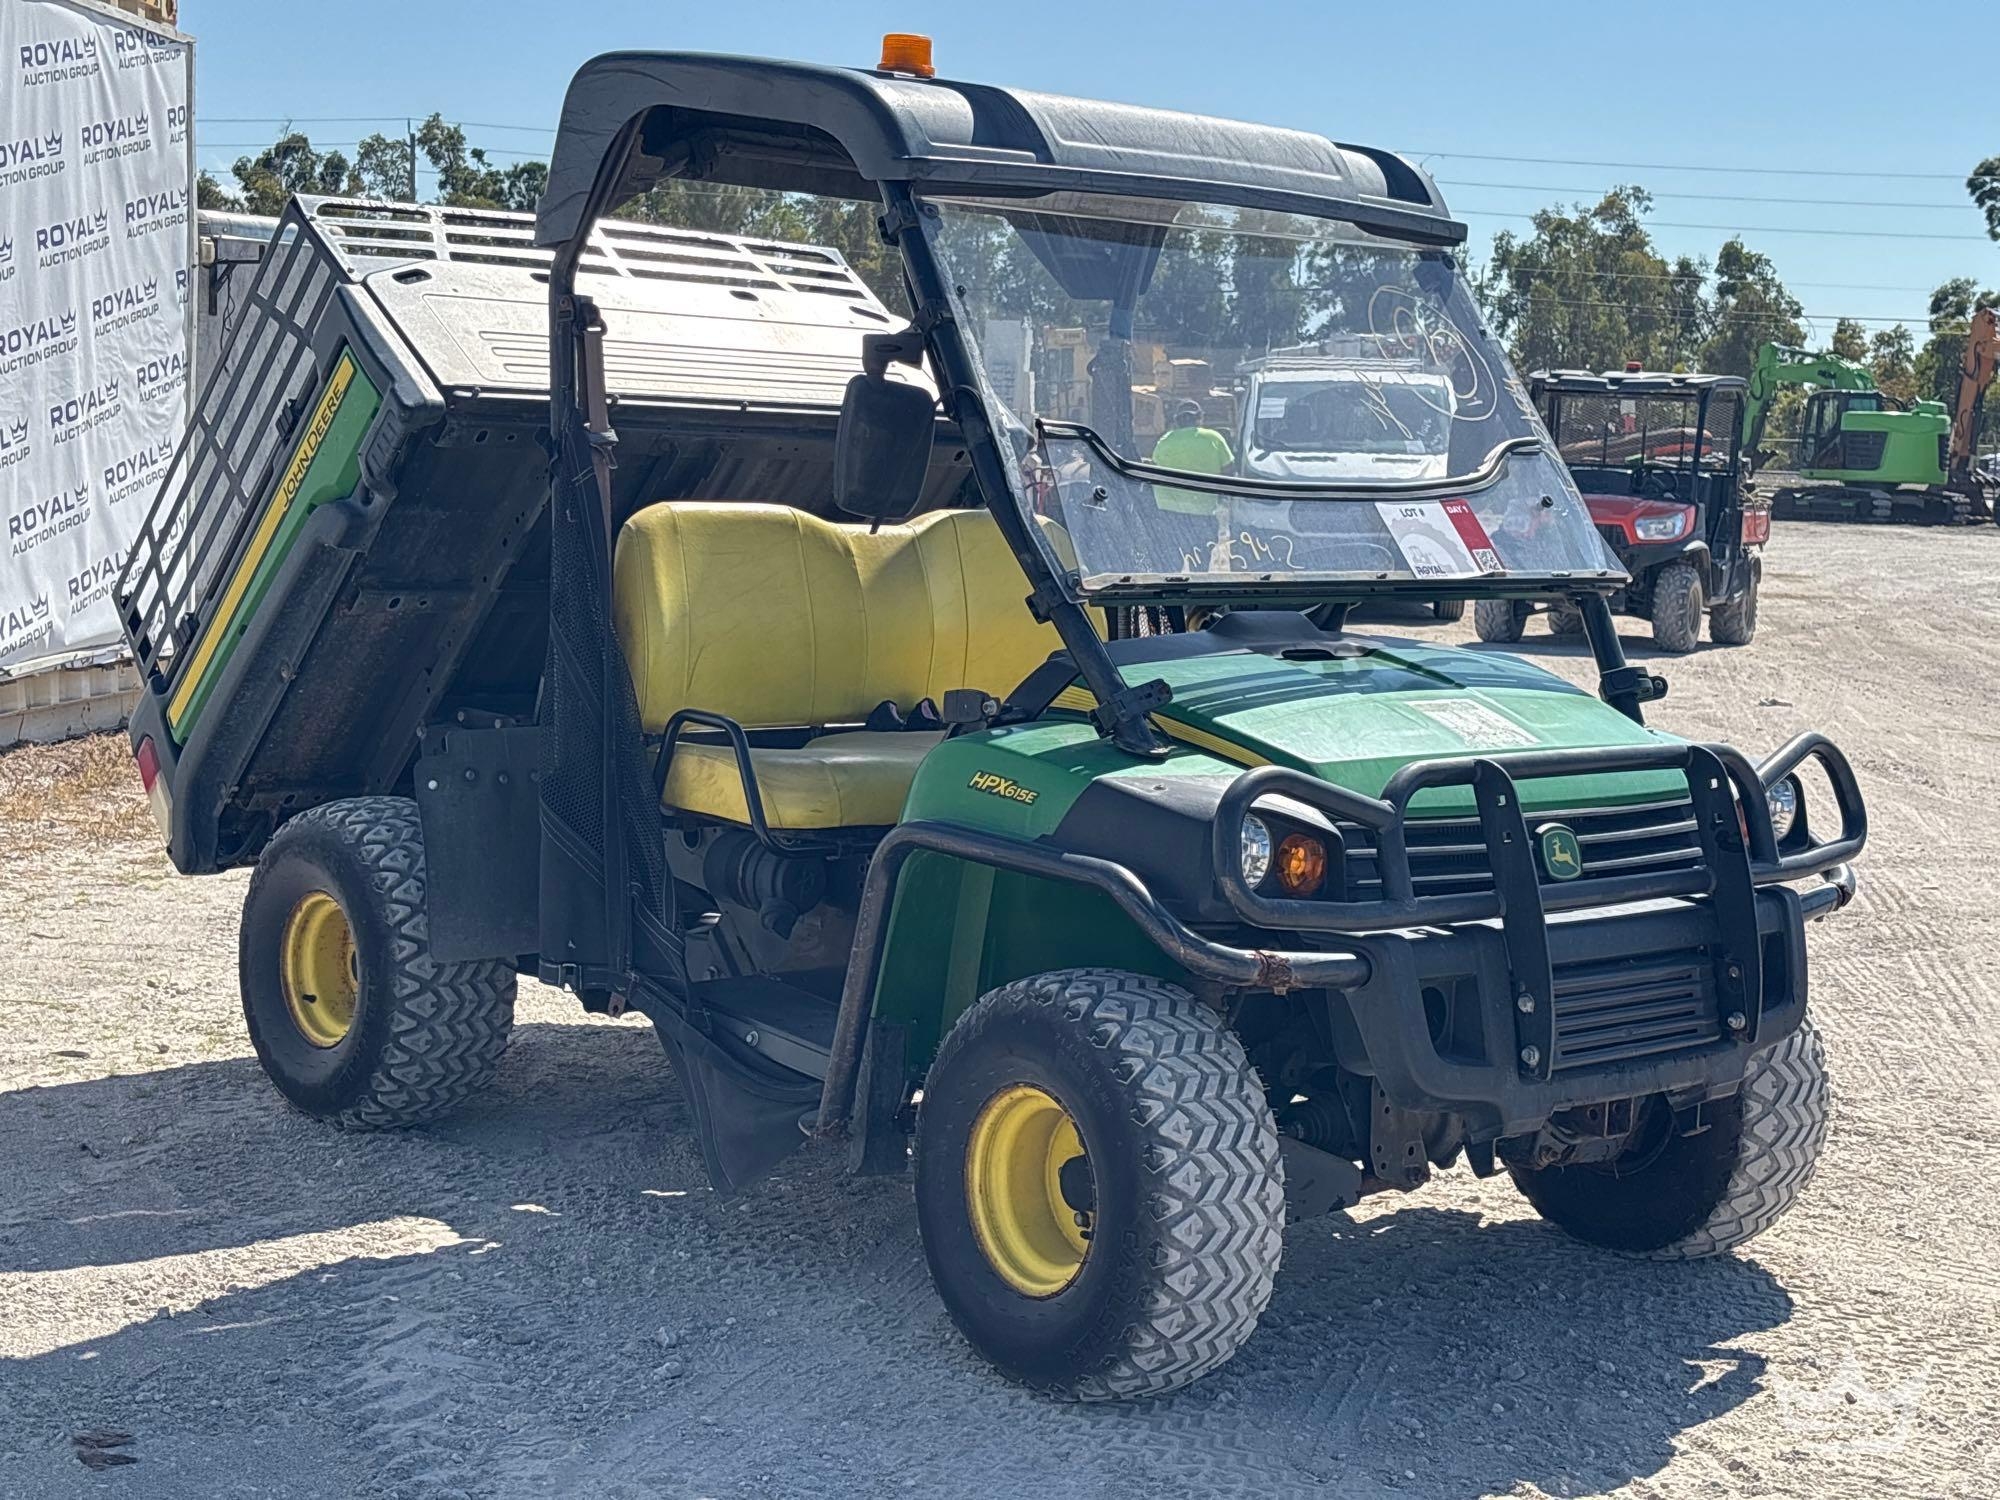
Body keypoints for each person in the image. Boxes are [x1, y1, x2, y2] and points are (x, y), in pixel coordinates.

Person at [1149, 399, 1234, 568]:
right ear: (1200, 418)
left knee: (1170, 562)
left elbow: (1154, 470)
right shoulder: (1214, 438)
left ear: (1176, 420)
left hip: (1168, 512)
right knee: (1200, 562)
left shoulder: (1164, 441)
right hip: (1202, 511)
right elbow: (1229, 470)